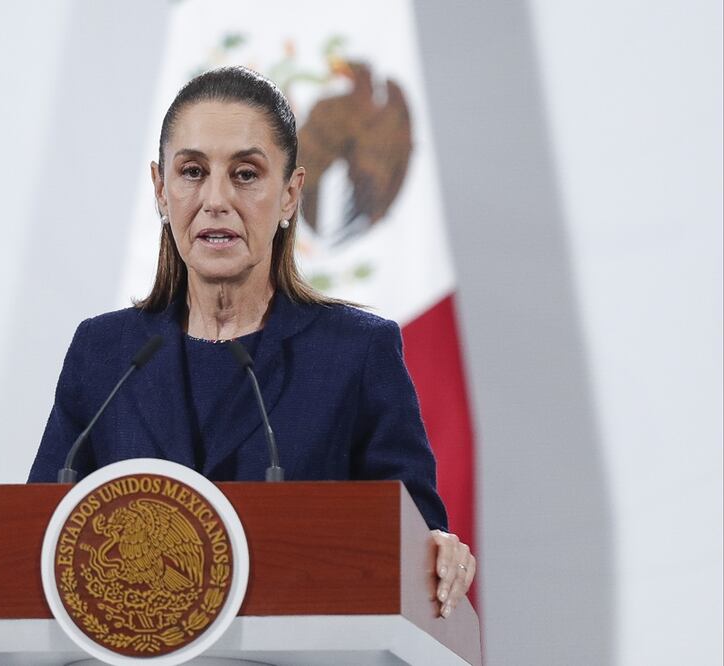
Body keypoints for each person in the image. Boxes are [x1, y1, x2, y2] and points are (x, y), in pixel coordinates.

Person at [28, 66, 475, 617]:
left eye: (245, 175)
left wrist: (439, 551)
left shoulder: (356, 354)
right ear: (160, 190)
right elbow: (38, 544)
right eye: (192, 171)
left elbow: (417, 542)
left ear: (290, 196)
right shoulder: (104, 355)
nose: (215, 199)